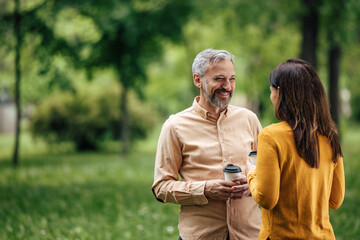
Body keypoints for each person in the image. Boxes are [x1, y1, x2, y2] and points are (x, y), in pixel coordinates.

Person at [152, 48, 262, 240]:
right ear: (198, 80)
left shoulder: (249, 119)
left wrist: (253, 185)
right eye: (219, 79)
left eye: (232, 79)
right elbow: (161, 188)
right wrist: (204, 189)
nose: (227, 86)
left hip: (250, 234)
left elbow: (269, 170)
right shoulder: (174, 126)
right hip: (201, 235)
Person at [245, 58, 345, 239]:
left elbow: (267, 199)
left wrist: (252, 173)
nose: (271, 97)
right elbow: (335, 200)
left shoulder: (270, 136)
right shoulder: (330, 136)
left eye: (271, 91)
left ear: (280, 92)